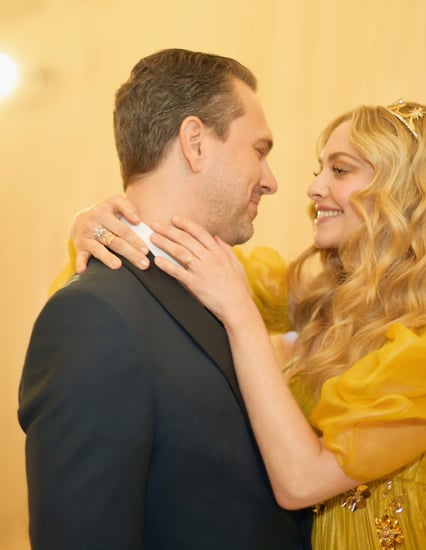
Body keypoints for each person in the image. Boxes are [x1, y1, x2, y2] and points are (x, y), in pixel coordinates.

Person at [67, 99, 426, 549]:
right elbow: (180, 264)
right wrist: (98, 225)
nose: (313, 187)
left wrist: (240, 314)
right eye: (320, 169)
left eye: (340, 171)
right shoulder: (323, 299)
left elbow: (302, 482)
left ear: (410, 192)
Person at [18, 48, 312, 549]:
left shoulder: (222, 290)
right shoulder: (94, 316)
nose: (271, 179)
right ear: (194, 143)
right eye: (259, 150)